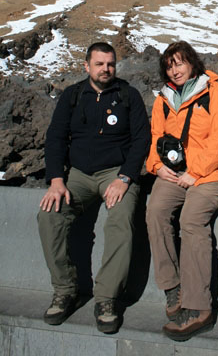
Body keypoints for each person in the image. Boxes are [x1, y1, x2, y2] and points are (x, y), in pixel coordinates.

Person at [38, 42, 150, 333]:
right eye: (99, 64)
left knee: (121, 221)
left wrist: (125, 177)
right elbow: (56, 137)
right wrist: (56, 180)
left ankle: (106, 298)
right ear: (87, 66)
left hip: (117, 174)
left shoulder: (128, 95)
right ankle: (65, 290)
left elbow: (142, 140)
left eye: (110, 64)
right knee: (50, 214)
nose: (105, 69)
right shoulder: (72, 96)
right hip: (78, 175)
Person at [146, 41, 218, 341]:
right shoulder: (163, 99)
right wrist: (155, 166)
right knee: (155, 211)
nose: (175, 70)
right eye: (169, 66)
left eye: (180, 63)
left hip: (210, 174)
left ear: (192, 63)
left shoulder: (215, 93)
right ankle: (173, 287)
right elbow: (156, 137)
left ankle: (199, 308)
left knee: (191, 221)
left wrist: (194, 171)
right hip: (174, 173)